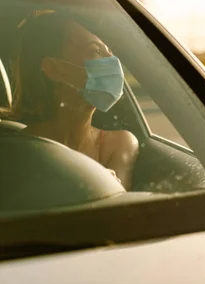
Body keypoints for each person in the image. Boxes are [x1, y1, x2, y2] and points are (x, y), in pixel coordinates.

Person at [9, 11, 139, 190]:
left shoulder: (120, 144)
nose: (112, 60)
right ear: (54, 69)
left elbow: (123, 214)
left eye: (110, 51)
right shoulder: (19, 152)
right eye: (95, 51)